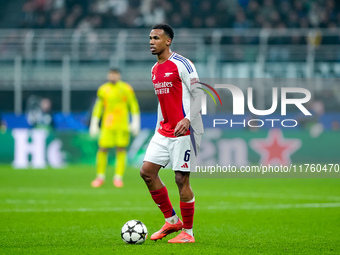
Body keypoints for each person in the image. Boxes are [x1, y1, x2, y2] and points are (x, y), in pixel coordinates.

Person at [140, 24, 204, 243]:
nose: (151, 41)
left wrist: (188, 120)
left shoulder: (182, 64)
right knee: (147, 172)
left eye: (156, 38)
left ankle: (188, 232)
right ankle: (171, 220)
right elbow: (163, 102)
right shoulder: (154, 69)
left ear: (168, 41)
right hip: (164, 130)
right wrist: (160, 125)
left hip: (186, 130)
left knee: (181, 179)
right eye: (150, 38)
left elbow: (199, 95)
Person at [89, 69, 140, 188]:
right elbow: (98, 106)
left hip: (122, 125)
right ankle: (100, 177)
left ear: (119, 75)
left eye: (115, 74)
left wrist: (136, 121)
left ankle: (118, 177)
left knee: (121, 149)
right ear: (108, 75)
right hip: (107, 125)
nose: (112, 76)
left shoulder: (126, 88)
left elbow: (133, 105)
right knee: (102, 148)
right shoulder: (103, 89)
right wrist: (94, 122)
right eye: (111, 74)